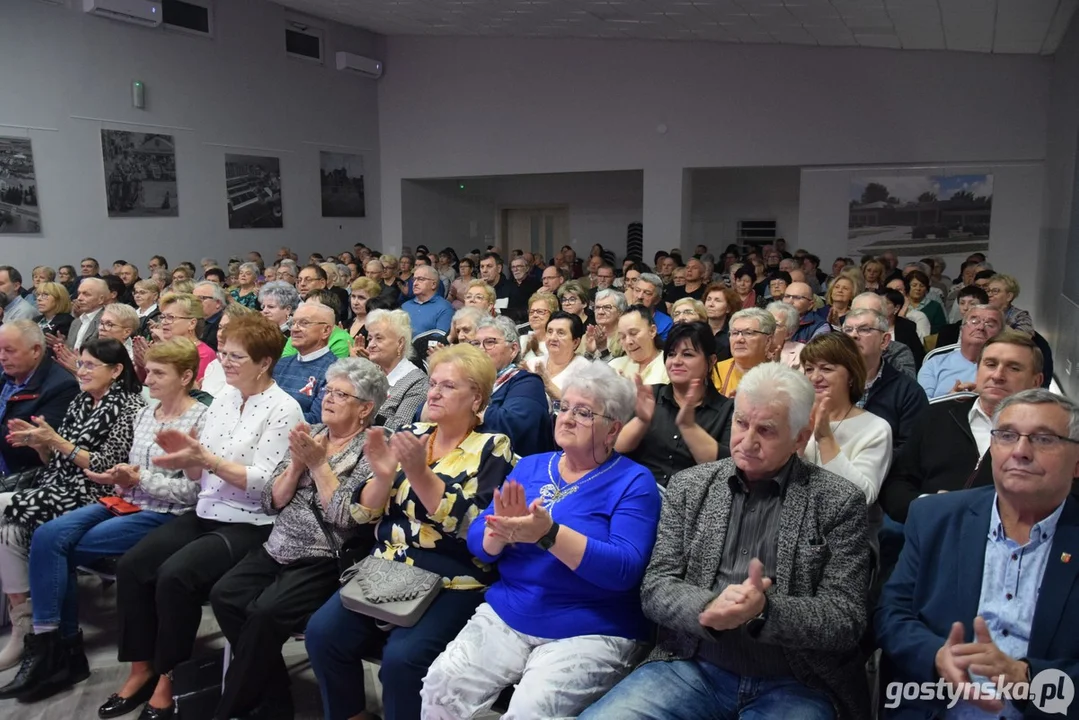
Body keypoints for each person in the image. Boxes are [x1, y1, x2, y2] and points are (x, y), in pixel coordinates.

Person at [581, 362, 872, 720]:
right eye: (741, 423)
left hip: (796, 681)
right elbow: (655, 587)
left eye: (766, 430)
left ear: (800, 436)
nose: (747, 441)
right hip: (692, 665)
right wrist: (709, 608)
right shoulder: (690, 487)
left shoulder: (838, 500)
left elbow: (846, 618)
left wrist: (765, 611)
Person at [421, 361, 660, 718]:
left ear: (613, 430)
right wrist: (498, 534)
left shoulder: (634, 482)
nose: (566, 418)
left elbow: (623, 569)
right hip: (511, 609)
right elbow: (477, 538)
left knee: (531, 710)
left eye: (583, 412)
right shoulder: (531, 465)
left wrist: (548, 534)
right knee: (442, 684)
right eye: (564, 407)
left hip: (589, 625)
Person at [105, 314, 302, 720]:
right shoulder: (226, 398)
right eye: (224, 354)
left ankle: (168, 677)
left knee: (175, 576)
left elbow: (265, 485)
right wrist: (188, 460)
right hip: (208, 509)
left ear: (264, 363)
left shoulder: (285, 408)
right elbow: (199, 474)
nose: (225, 362)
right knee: (132, 566)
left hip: (250, 521)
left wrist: (203, 458)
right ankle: (140, 668)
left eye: (236, 356)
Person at [304, 344, 515, 720]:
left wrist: (420, 474)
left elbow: (476, 528)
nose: (433, 392)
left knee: (402, 661)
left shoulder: (492, 448)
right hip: (387, 566)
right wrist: (384, 476)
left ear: (476, 397)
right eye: (432, 383)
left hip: (452, 576)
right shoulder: (411, 431)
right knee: (322, 634)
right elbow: (361, 511)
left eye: (448, 386)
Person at [0, 340, 207, 700]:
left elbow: (190, 494)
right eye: (149, 370)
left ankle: (60, 652)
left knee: (54, 548)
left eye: (158, 373)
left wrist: (135, 478)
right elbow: (118, 466)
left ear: (186, 376)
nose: (148, 378)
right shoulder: (147, 413)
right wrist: (115, 476)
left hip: (160, 512)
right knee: (48, 536)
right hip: (123, 498)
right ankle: (52, 646)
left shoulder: (199, 420)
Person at [875, 389, 1079, 719]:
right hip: (936, 705)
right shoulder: (935, 518)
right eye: (1007, 436)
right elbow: (891, 614)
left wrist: (1028, 678)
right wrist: (937, 656)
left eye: (1044, 439)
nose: (1021, 451)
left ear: (1077, 463)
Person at [209, 358, 387, 719]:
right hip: (277, 545)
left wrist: (320, 466)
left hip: (323, 557)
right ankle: (274, 696)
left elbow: (345, 518)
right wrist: (295, 465)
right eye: (327, 389)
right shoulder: (312, 433)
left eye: (341, 393)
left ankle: (229, 710)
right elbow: (270, 501)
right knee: (224, 596)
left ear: (365, 408)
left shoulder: (370, 451)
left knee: (264, 615)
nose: (328, 397)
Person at [0, 339, 144, 670]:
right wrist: (40, 444)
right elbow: (54, 460)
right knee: (9, 530)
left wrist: (56, 441)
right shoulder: (80, 402)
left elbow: (105, 466)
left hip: (95, 493)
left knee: (5, 508)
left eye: (90, 365)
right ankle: (23, 623)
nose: (81, 371)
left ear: (116, 370)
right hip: (59, 484)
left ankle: (27, 626)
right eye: (80, 364)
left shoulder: (129, 407)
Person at [880, 330, 1045, 524]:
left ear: (1036, 382)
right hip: (928, 534)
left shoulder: (1048, 437)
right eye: (990, 364)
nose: (998, 375)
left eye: (1014, 368)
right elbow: (897, 483)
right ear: (978, 371)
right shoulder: (936, 416)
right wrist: (926, 506)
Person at [616, 322, 734, 488]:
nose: (676, 361)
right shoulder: (650, 396)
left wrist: (688, 427)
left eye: (688, 354)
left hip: (692, 502)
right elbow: (617, 448)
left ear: (711, 361)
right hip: (639, 492)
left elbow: (725, 468)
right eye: (671, 354)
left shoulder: (727, 410)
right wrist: (641, 421)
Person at [800, 333, 893, 504]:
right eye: (809, 369)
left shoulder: (876, 428)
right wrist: (798, 443)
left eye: (826, 369)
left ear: (851, 375)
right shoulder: (796, 418)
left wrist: (826, 438)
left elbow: (862, 498)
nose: (815, 377)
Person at [841, 309, 928, 455]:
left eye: (864, 329)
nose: (854, 335)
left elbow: (910, 448)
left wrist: (869, 463)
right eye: (848, 330)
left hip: (885, 471)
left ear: (884, 340)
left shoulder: (908, 391)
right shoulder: (827, 382)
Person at [0, 321, 80, 477]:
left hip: (19, 474)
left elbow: (31, 449)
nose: (2, 357)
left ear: (36, 350)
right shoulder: (5, 374)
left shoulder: (62, 387)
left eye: (9, 351)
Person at [467, 316, 554, 456]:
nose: (481, 350)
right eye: (476, 344)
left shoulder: (528, 383)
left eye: (490, 342)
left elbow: (511, 425)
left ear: (513, 349)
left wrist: (463, 407)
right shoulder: (468, 381)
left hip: (510, 469)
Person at [918, 305, 1003, 399]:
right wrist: (950, 401)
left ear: (1001, 334)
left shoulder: (1007, 369)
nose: (981, 327)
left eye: (990, 324)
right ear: (962, 329)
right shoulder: (934, 364)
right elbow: (922, 407)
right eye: (974, 321)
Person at [272, 301, 337, 423]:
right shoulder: (280, 364)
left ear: (326, 330)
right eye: (293, 323)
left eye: (304, 323)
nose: (294, 329)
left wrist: (270, 417)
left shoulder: (335, 371)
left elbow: (316, 420)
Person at [363, 309, 428, 431]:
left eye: (379, 338)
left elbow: (401, 430)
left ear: (400, 343)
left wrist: (363, 409)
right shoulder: (366, 374)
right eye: (370, 338)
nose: (371, 344)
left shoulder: (417, 382)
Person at [526, 311, 592, 403]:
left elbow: (579, 406)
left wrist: (547, 383)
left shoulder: (585, 370)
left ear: (575, 342)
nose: (553, 338)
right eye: (550, 331)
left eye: (561, 333)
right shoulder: (532, 363)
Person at [711, 307, 775, 398]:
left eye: (748, 333)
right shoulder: (715, 372)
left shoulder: (779, 377)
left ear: (768, 341)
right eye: (735, 333)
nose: (739, 339)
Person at [609, 305, 669, 385]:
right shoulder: (614, 366)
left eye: (633, 333)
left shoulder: (669, 366)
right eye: (622, 337)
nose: (628, 341)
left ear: (652, 331)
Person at [402, 265, 454, 335]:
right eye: (414, 279)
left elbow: (440, 340)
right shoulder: (405, 306)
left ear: (433, 284)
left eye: (420, 279)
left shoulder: (445, 308)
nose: (415, 284)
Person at [64, 277, 109, 351]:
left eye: (86, 294)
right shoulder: (76, 322)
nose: (79, 298)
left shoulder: (106, 322)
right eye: (79, 293)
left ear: (101, 299)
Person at [885, 277, 931, 341]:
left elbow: (922, 343)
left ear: (906, 293)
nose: (893, 294)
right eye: (890, 290)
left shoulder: (918, 316)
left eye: (898, 290)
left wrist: (902, 320)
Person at [704, 283, 740, 363]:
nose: (711, 304)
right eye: (708, 299)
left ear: (728, 308)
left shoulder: (734, 332)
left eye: (717, 300)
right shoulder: (697, 329)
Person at [520, 292, 559, 365]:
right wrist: (524, 353)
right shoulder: (522, 339)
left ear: (553, 314)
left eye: (540, 312)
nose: (534, 315)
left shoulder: (556, 342)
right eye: (531, 312)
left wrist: (537, 351)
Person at [587, 288, 625, 362]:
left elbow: (617, 371)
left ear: (620, 312)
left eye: (607, 307)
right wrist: (589, 353)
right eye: (597, 307)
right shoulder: (587, 337)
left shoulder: (625, 339)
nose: (600, 312)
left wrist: (603, 351)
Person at [634, 273, 673, 341]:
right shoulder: (622, 316)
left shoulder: (666, 324)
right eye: (637, 290)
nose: (639, 296)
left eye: (647, 293)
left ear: (657, 300)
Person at [766, 301, 804, 369]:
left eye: (776, 325)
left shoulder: (801, 352)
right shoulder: (751, 346)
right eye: (766, 322)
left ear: (789, 333)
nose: (768, 327)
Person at [193, 281, 227, 352]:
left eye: (201, 298)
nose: (195, 302)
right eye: (193, 298)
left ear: (218, 303)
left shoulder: (224, 324)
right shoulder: (195, 320)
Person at [347, 277, 382, 344]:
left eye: (361, 298)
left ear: (372, 300)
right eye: (353, 296)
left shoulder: (376, 327)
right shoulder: (345, 324)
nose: (355, 302)